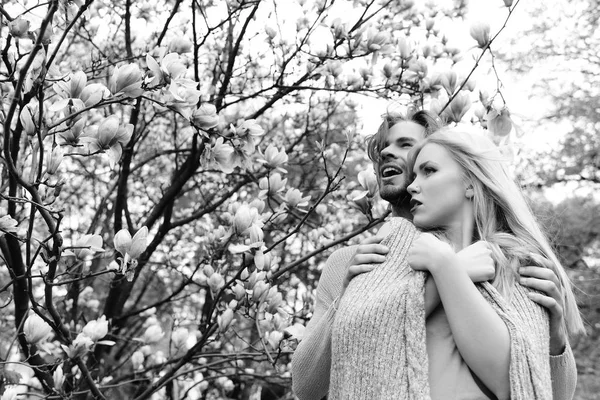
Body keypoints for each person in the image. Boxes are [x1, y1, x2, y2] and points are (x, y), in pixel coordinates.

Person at [291, 109, 581, 400]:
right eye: (382, 148)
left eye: (406, 146)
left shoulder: (500, 258)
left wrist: (555, 340)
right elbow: (306, 387)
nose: (386, 153)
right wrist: (351, 299)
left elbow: (544, 389)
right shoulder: (352, 263)